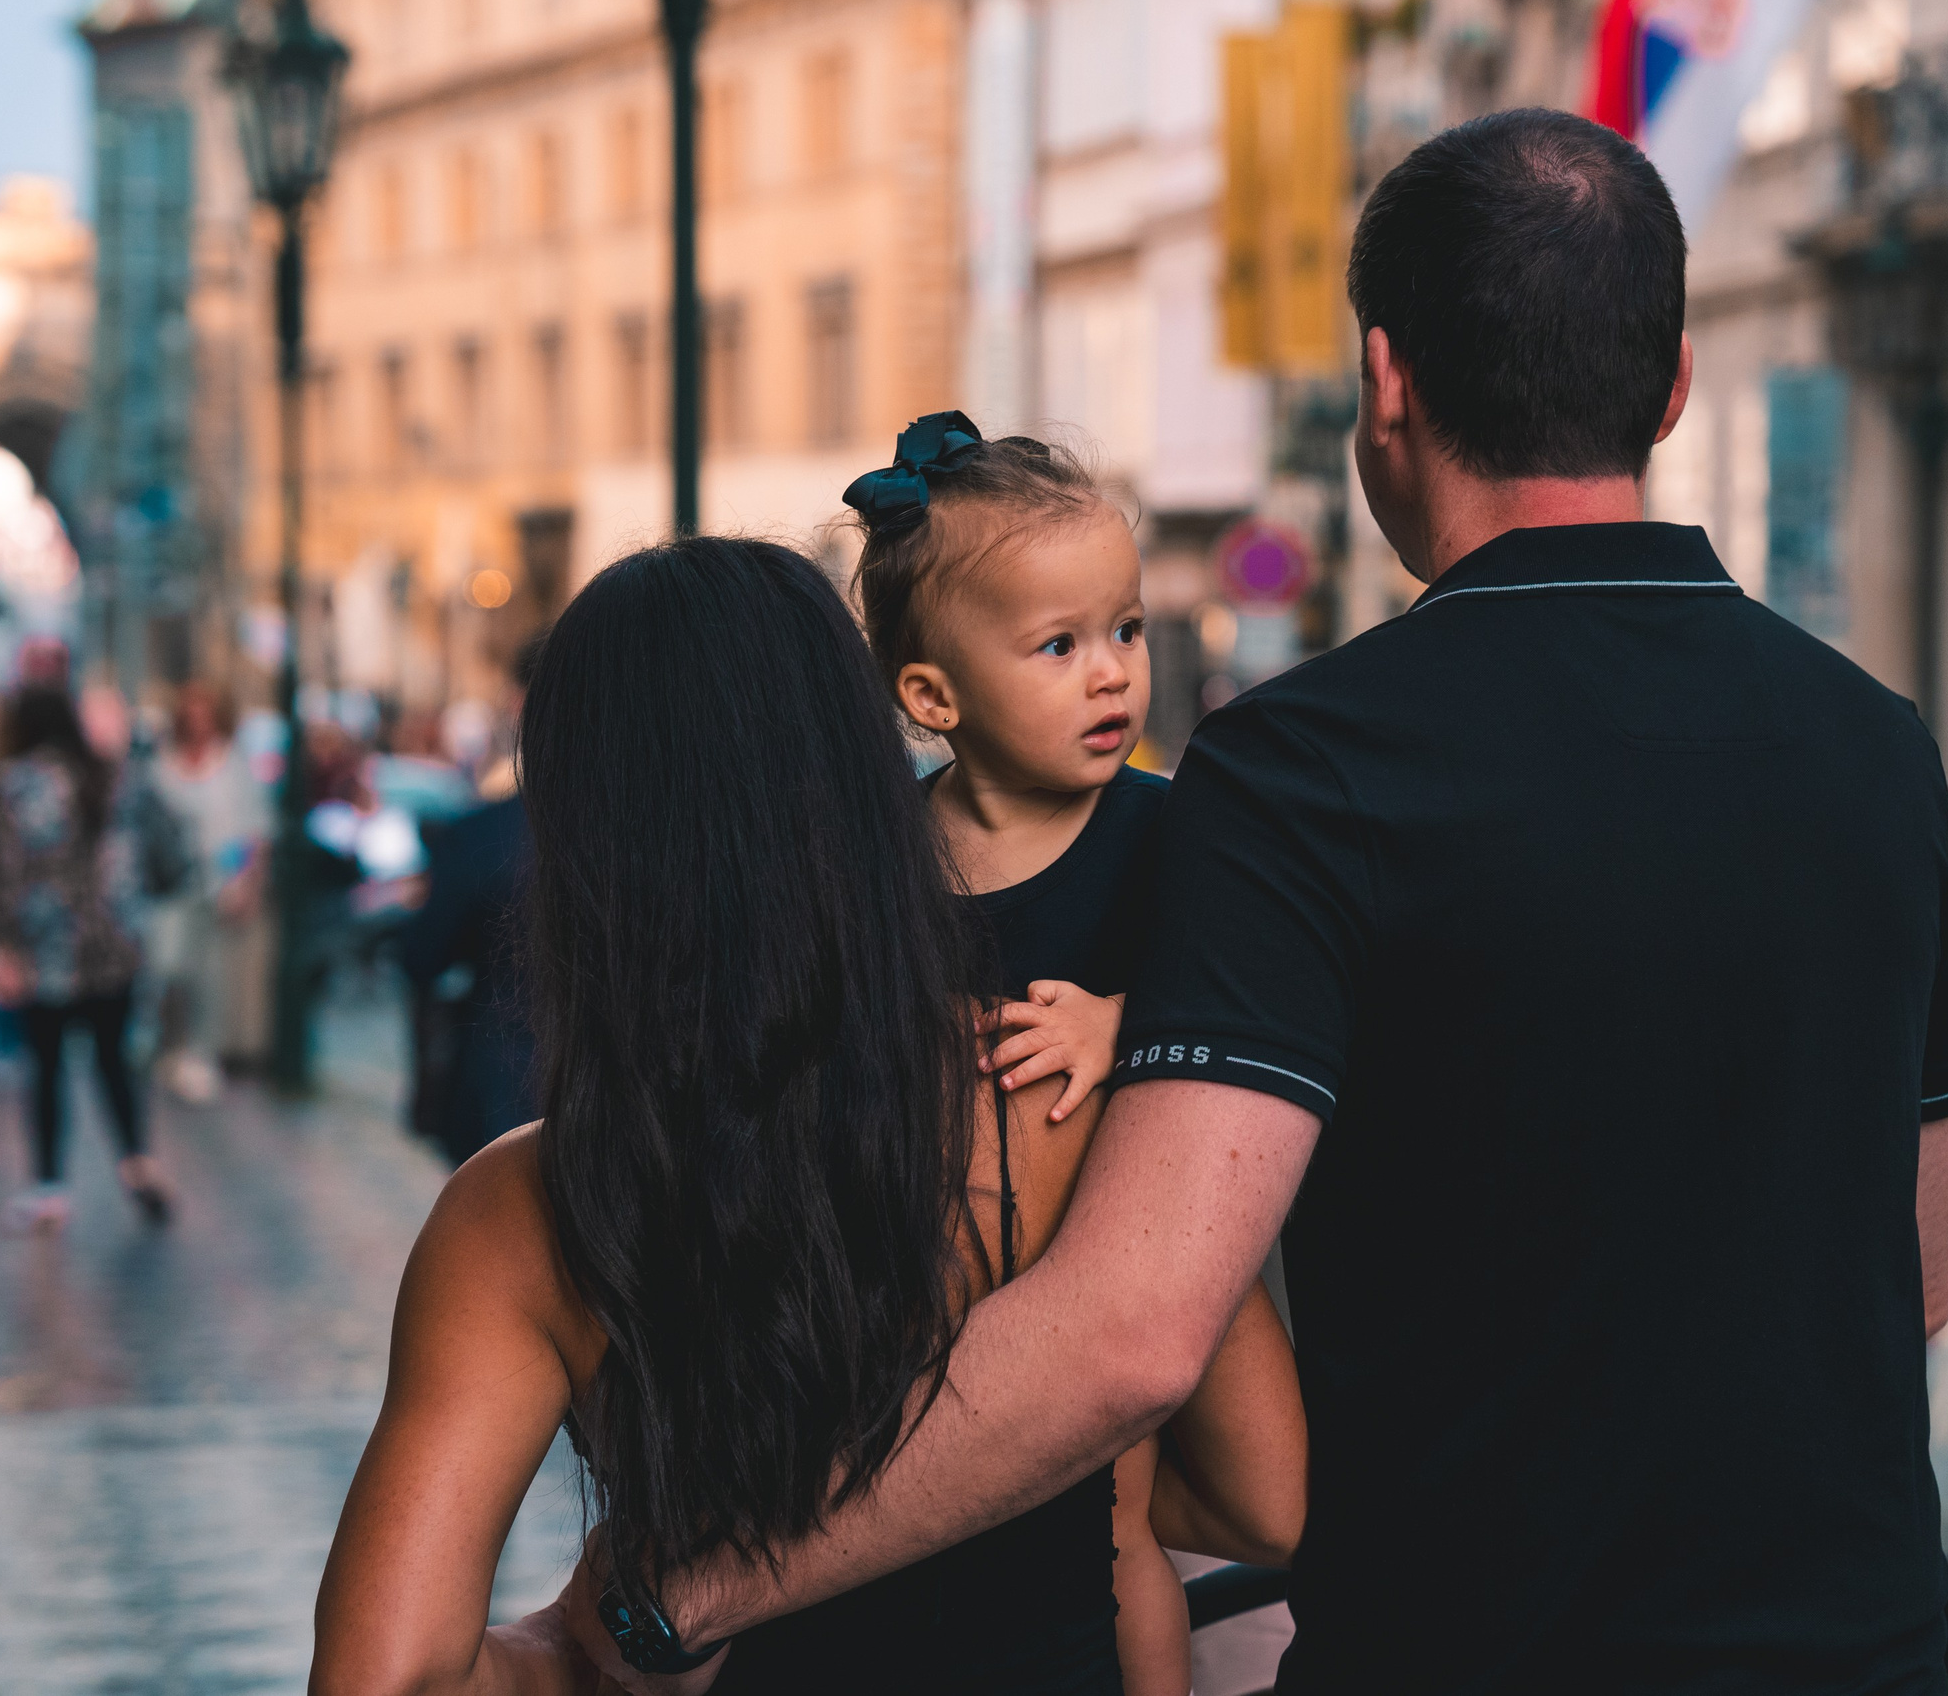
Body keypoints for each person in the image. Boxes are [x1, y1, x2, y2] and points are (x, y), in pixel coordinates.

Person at [565, 108, 1948, 1696]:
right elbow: (1914, 1279)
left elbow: (1131, 1332)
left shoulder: (1310, 771)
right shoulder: (1881, 750)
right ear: (1672, 386)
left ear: (1385, 379)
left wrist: (668, 1597)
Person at [310, 538, 1303, 1696]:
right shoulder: (1048, 1088)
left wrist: (580, 1641)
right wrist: (1055, 1475)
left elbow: (390, 1679)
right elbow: (1265, 1497)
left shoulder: (520, 1215)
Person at [849, 413, 1288, 1694]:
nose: (1111, 675)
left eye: (1127, 632)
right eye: (1059, 647)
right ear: (932, 697)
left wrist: (1130, 1024)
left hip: (1131, 1259)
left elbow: (1266, 1010)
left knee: (1111, 1529)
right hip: (936, 1283)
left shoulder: (1172, 834)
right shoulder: (886, 865)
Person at [0, 685, 173, 1233]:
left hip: (48, 948)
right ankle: (138, 1163)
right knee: (114, 1060)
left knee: (46, 1066)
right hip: (115, 944)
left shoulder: (14, 783)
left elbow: (6, 871)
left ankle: (48, 1188)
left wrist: (1, 945)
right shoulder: (116, 775)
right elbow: (157, 854)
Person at [398, 635, 543, 1166]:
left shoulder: (487, 836)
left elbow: (421, 955)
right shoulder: (664, 839)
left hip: (504, 1092)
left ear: (519, 704)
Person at [150, 679, 269, 1104]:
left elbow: (252, 829)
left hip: (220, 881)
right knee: (169, 967)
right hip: (169, 883)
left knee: (211, 974)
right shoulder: (162, 760)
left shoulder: (233, 762)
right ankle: (168, 1045)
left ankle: (201, 1052)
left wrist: (246, 880)